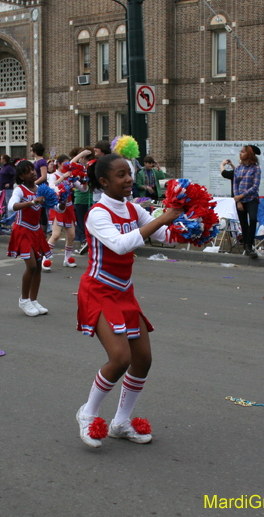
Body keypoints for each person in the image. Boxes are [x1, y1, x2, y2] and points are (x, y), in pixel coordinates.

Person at [75, 153, 182, 448]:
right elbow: (122, 246)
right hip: (98, 290)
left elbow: (167, 237)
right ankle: (88, 414)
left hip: (124, 291)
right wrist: (163, 217)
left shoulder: (134, 209)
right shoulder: (98, 214)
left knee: (143, 360)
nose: (128, 179)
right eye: (120, 175)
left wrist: (190, 222)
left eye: (129, 173)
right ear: (104, 181)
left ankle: (121, 421)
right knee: (120, 358)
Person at [7, 159, 55, 317]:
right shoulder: (19, 190)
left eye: (33, 170)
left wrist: (61, 202)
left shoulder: (42, 188)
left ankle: (34, 300)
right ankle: (24, 299)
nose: (33, 173)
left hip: (37, 231)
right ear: (21, 176)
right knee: (32, 266)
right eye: (28, 171)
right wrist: (31, 202)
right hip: (23, 230)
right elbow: (11, 206)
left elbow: (56, 208)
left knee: (39, 266)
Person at [44, 153, 89, 271]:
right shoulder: (53, 175)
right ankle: (45, 258)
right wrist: (64, 176)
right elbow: (52, 187)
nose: (67, 166)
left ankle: (67, 259)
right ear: (58, 164)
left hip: (68, 207)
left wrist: (84, 181)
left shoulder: (70, 176)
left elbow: (83, 190)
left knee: (72, 236)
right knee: (56, 235)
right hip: (58, 206)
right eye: (65, 163)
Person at [233, 145, 261, 256]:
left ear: (249, 154)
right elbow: (235, 185)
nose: (240, 153)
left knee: (253, 219)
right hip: (240, 201)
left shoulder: (256, 168)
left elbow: (255, 186)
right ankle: (246, 246)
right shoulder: (238, 168)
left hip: (251, 199)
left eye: (243, 152)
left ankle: (249, 245)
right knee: (243, 224)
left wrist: (241, 196)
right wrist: (238, 200)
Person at [71, 148, 94, 249]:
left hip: (81, 198)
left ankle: (84, 241)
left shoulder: (81, 167)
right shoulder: (93, 166)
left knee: (81, 222)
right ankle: (87, 241)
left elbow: (69, 165)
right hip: (90, 197)